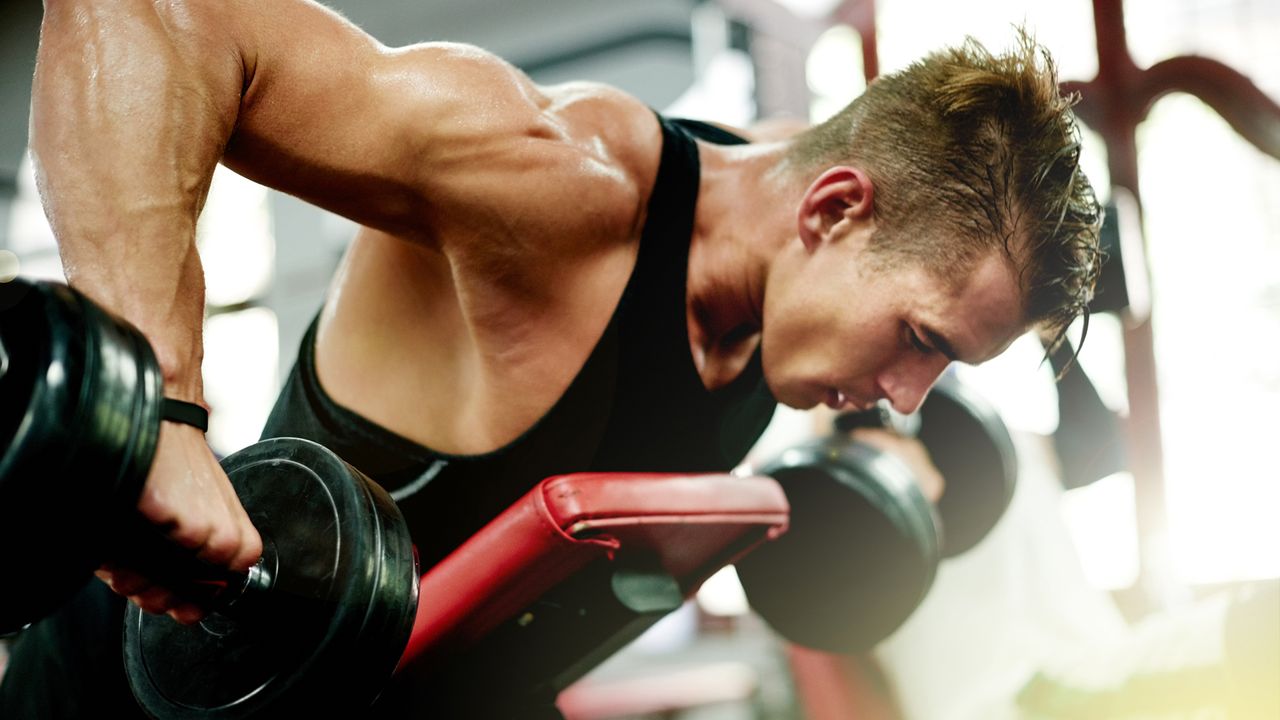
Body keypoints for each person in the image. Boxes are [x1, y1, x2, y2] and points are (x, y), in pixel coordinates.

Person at [2, 0, 1101, 716]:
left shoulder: (780, 289)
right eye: (918, 341)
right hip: (155, 692)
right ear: (833, 208)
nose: (907, 396)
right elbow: (155, 14)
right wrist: (162, 416)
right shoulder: (560, 185)